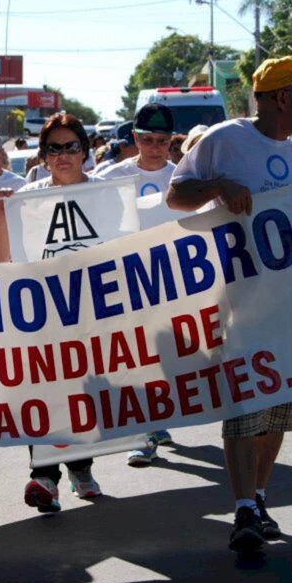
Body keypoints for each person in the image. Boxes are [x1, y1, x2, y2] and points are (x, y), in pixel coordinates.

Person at [167, 55, 292, 553]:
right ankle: (243, 507)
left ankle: (259, 497)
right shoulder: (225, 139)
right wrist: (218, 186)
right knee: (246, 401)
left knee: (283, 404)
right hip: (239, 303)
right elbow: (178, 196)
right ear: (283, 98)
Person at [0, 112, 104, 512]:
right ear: (44, 155)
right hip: (42, 318)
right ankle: (44, 477)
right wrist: (1, 217)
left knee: (84, 395)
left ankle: (81, 467)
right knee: (44, 394)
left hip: (93, 315)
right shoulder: (27, 198)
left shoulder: (109, 194)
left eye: (71, 146)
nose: (63, 155)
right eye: (54, 148)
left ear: (85, 152)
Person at [97, 104, 179, 465]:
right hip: (125, 284)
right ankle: (142, 435)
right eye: (147, 139)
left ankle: (156, 418)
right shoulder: (111, 178)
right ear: (135, 139)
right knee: (135, 358)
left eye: (162, 140)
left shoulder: (183, 179)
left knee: (165, 358)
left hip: (171, 285)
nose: (155, 147)